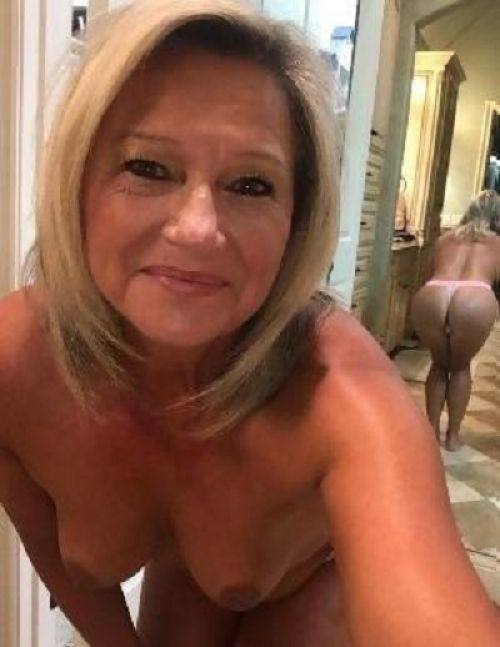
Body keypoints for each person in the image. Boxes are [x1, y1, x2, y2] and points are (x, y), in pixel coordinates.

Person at [0, 1, 499, 645]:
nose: (197, 229)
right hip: (185, 574)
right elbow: (54, 554)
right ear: (75, 183)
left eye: (251, 185)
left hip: (307, 582)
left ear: (296, 221)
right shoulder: (13, 365)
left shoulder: (344, 396)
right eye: (148, 168)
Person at [412, 190, 500, 452]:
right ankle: (452, 436)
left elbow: (428, 273)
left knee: (439, 365)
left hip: (434, 293)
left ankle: (431, 431)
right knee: (460, 368)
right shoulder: (496, 243)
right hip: (474, 295)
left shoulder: (444, 239)